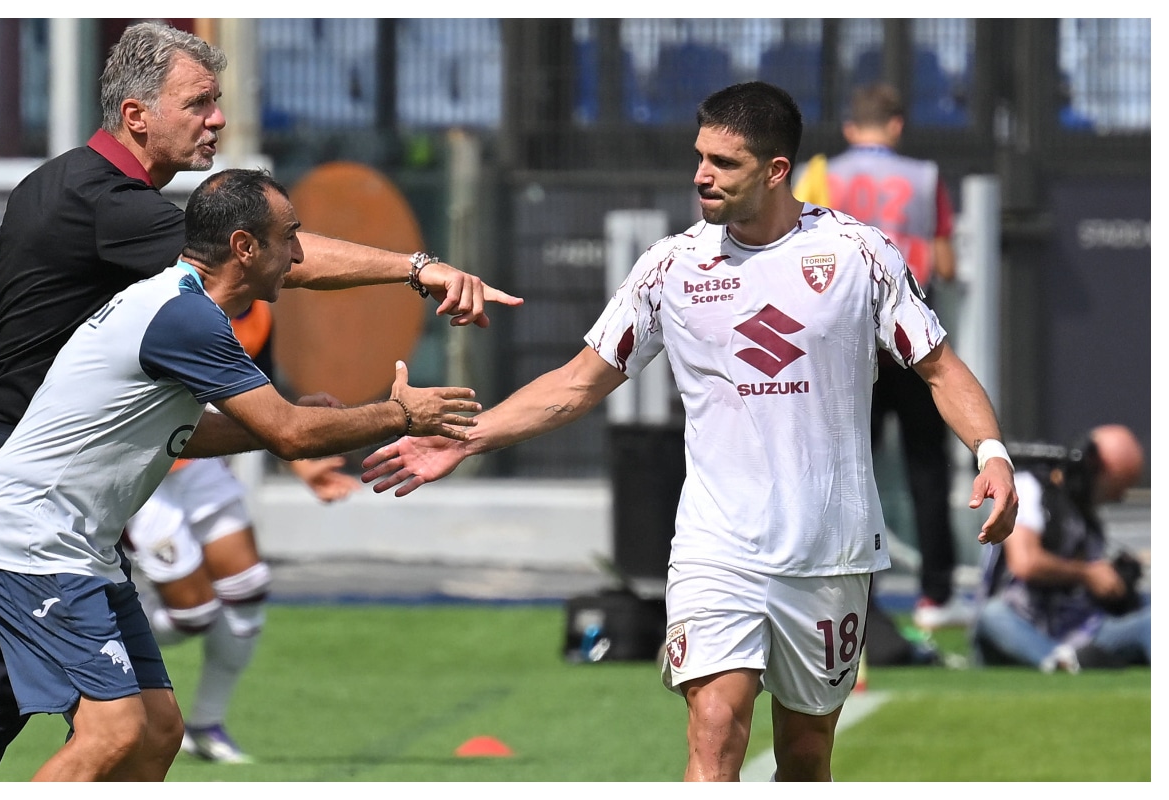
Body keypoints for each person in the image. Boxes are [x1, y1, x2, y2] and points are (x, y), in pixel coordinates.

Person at [361, 81, 1019, 782]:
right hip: (718, 545)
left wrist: (993, 453)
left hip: (830, 552)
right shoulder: (672, 265)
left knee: (804, 757)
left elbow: (942, 369)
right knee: (714, 732)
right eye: (699, 156)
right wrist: (467, 436)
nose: (701, 175)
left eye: (724, 163)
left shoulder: (860, 254)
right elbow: (579, 381)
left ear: (775, 170)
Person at [0, 20, 520, 781]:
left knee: (135, 727)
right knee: (106, 730)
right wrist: (417, 269)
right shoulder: (126, 225)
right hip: (30, 493)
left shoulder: (54, 182)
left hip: (61, 480)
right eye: (199, 103)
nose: (218, 120)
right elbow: (273, 262)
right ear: (137, 115)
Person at [122, 299, 362, 765]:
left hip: (199, 465)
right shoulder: (169, 298)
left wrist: (305, 466)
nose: (292, 262)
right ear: (243, 246)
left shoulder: (261, 315)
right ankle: (90, 636)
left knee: (248, 587)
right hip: (144, 471)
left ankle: (207, 726)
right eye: (285, 243)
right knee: (194, 615)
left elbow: (265, 403)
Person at [798, 82, 967, 632]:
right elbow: (943, 263)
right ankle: (935, 596)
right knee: (927, 469)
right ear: (897, 126)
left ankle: (851, 598)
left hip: (847, 346)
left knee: (846, 472)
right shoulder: (925, 177)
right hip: (912, 339)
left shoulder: (823, 174)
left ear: (850, 129)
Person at [972, 424, 1150, 673]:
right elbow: (1025, 562)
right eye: (1117, 486)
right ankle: (1062, 661)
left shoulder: (1089, 521)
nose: (1118, 498)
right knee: (992, 614)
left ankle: (1066, 660)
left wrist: (1115, 583)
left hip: (1079, 630)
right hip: (1020, 624)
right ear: (1099, 470)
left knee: (1152, 619)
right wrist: (1088, 574)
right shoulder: (1028, 488)